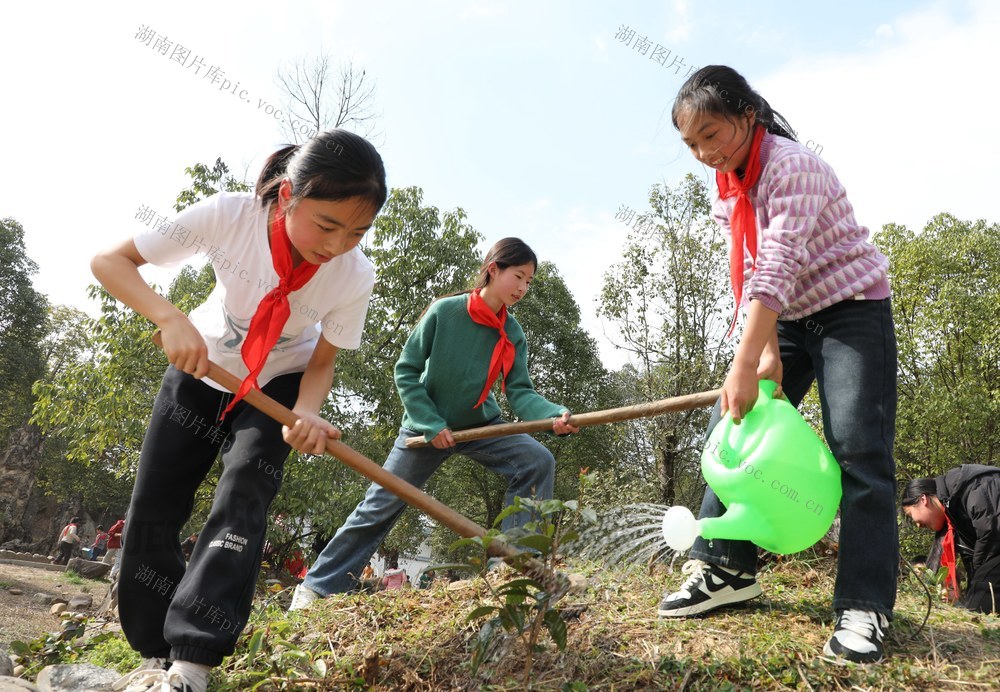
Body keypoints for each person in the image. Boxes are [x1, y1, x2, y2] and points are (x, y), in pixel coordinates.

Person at [91, 129, 386, 692]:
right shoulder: (230, 216)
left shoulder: (354, 274)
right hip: (203, 361)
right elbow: (111, 262)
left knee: (245, 493)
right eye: (327, 225)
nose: (338, 244)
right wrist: (169, 318)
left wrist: (306, 413)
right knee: (157, 498)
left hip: (280, 382)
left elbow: (322, 363)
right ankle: (155, 653)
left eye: (358, 232)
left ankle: (194, 660)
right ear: (287, 194)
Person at [656, 66, 898, 663]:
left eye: (712, 135)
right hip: (785, 314)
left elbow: (779, 265)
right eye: (691, 144)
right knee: (733, 423)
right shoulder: (733, 183)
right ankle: (728, 570)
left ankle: (864, 605)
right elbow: (749, 270)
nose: (704, 154)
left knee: (858, 448)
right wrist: (760, 353)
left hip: (850, 309)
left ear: (747, 116)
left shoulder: (792, 166)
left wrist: (742, 360)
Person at [290, 238, 579, 610]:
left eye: (529, 282)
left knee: (537, 462)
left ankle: (513, 572)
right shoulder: (445, 312)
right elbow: (406, 371)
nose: (523, 288)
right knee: (380, 504)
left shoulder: (513, 333)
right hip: (424, 429)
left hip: (480, 425)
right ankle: (317, 587)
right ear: (493, 269)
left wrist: (553, 414)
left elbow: (521, 393)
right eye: (518, 276)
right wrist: (430, 423)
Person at [901, 465, 1000, 614]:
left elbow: (992, 533)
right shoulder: (954, 516)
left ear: (923, 499)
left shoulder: (975, 486)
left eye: (910, 515)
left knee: (977, 610)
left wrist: (978, 589)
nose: (917, 525)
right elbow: (973, 561)